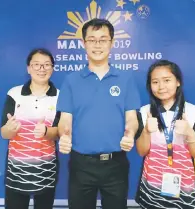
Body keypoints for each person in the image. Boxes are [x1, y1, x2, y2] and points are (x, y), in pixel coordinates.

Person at [57, 18, 140, 209]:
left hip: (115, 165)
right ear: (83, 43)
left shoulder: (125, 79)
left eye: (103, 39)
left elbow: (132, 118)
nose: (97, 45)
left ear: (111, 43)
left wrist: (130, 134)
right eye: (92, 40)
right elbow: (65, 120)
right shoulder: (71, 81)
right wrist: (64, 135)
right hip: (81, 165)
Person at [135, 60, 195, 209]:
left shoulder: (194, 112)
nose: (161, 87)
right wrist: (146, 131)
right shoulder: (144, 112)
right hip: (151, 190)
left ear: (178, 82)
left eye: (167, 80)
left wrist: (189, 133)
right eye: (155, 82)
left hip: (184, 192)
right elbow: (141, 151)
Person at [1, 48, 60, 209]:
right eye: (36, 64)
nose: (42, 69)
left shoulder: (60, 96)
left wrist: (47, 132)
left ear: (52, 68)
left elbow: (60, 132)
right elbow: (4, 133)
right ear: (28, 68)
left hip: (46, 169)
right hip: (17, 170)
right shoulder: (14, 94)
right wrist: (10, 129)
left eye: (47, 65)